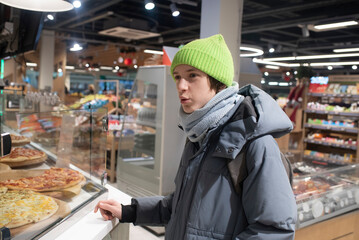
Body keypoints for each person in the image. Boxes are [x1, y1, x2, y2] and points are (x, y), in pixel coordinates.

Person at [94, 34, 297, 239]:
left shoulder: (255, 144)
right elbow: (179, 207)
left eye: (192, 76)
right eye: (177, 76)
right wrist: (130, 210)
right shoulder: (199, 135)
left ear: (218, 82)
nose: (181, 86)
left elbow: (274, 231)